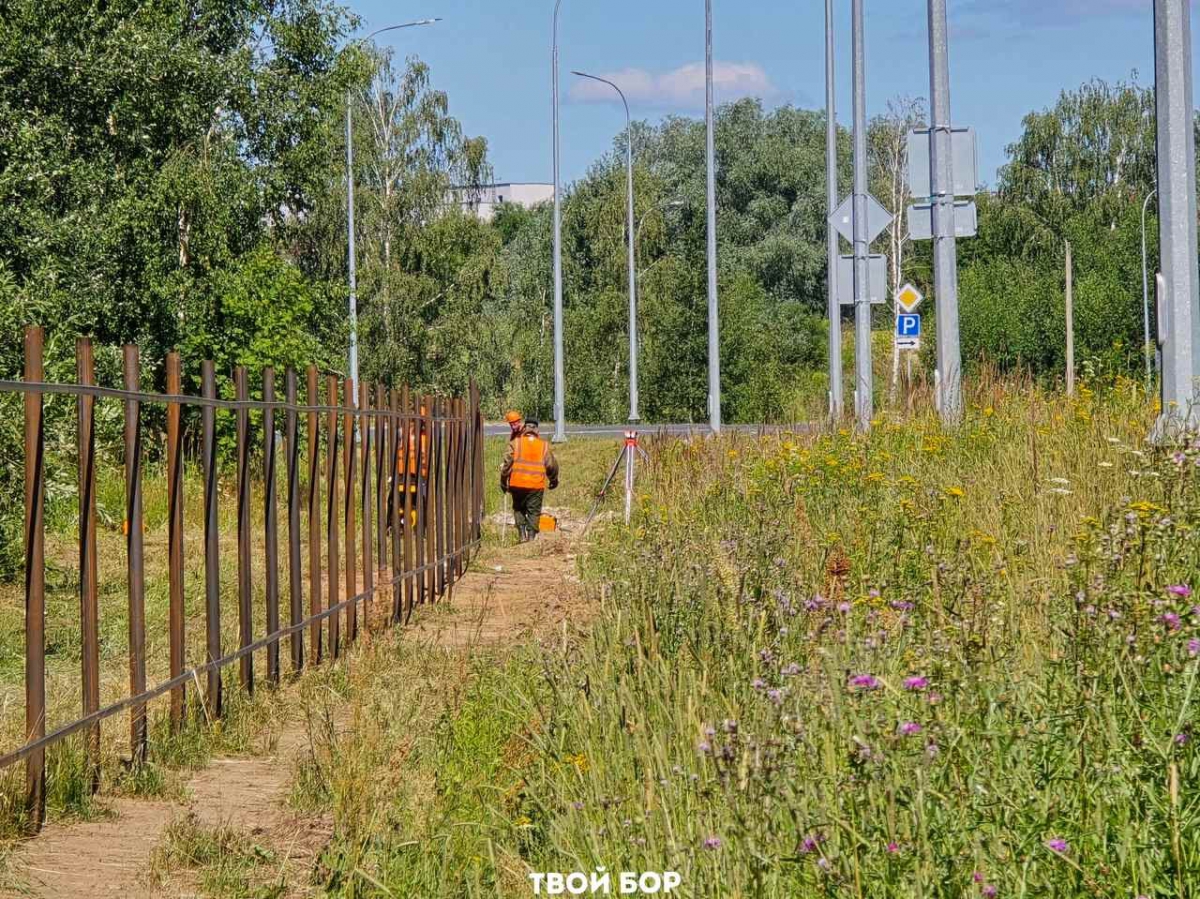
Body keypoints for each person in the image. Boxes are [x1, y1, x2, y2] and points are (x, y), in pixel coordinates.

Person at [500, 417, 559, 542]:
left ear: (525, 428)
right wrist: (553, 480)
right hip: (535, 486)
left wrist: (503, 481)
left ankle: (522, 535)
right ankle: (531, 538)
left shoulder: (515, 443)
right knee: (534, 511)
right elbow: (551, 465)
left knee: (518, 509)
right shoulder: (543, 446)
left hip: (517, 483)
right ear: (537, 430)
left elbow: (506, 464)